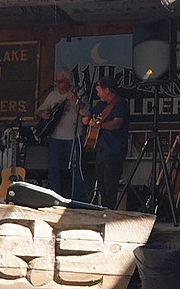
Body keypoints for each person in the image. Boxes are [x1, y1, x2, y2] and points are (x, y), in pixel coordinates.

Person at [36, 68, 85, 199]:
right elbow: (39, 110)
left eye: (61, 81)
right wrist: (43, 114)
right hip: (55, 137)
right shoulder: (53, 95)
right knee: (53, 169)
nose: (58, 84)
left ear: (68, 81)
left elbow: (86, 113)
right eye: (56, 81)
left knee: (75, 170)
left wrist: (75, 100)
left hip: (73, 137)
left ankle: (78, 199)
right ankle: (54, 198)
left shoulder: (78, 93)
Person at [82, 76, 130, 208]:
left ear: (107, 90)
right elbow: (89, 112)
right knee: (102, 183)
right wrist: (87, 118)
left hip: (114, 149)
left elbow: (117, 124)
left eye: (99, 91)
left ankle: (110, 211)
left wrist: (99, 125)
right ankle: (104, 209)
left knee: (110, 183)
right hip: (101, 149)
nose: (97, 93)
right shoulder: (101, 105)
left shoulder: (121, 104)